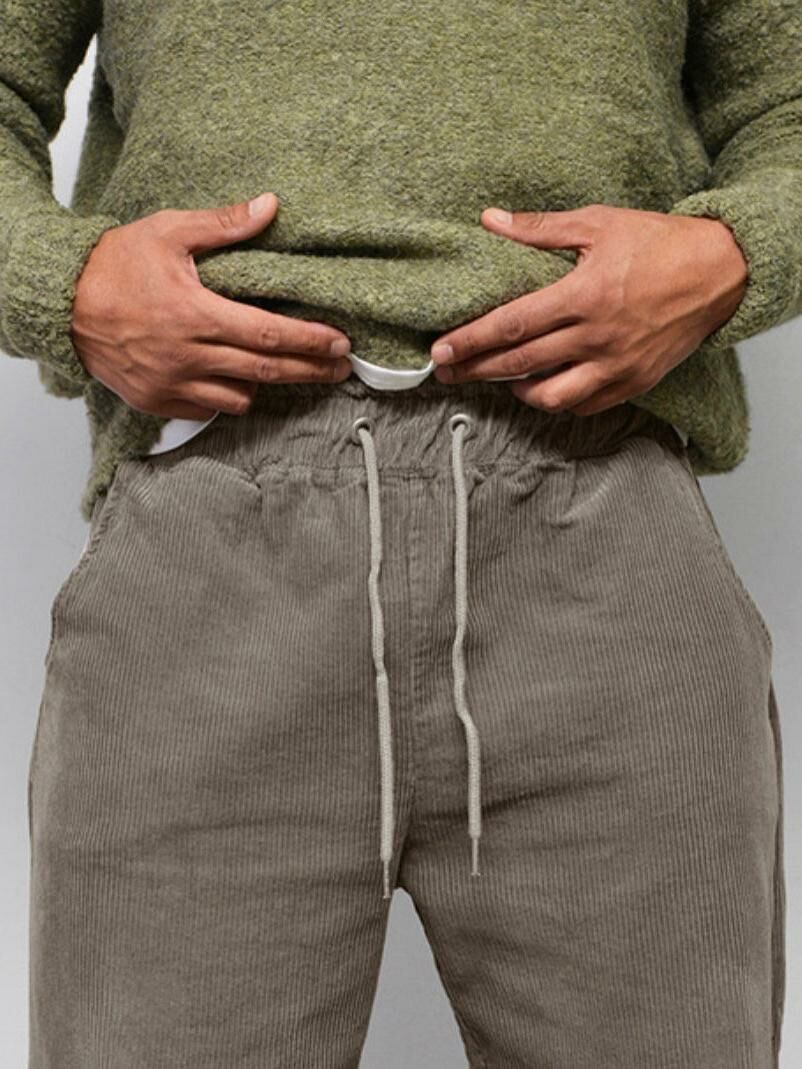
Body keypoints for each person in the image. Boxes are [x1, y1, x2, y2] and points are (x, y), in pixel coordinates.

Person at [2, 1, 797, 1066]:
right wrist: (62, 283)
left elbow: (786, 103)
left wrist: (730, 253)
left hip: (604, 539)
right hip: (208, 540)